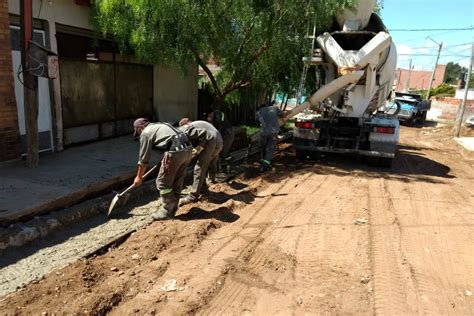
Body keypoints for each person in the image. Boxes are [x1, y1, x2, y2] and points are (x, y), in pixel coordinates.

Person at [132, 118, 193, 220]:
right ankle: (173, 208)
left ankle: (167, 212)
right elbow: (167, 140)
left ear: (141, 127)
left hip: (175, 151)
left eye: (138, 131)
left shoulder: (145, 133)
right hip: (188, 149)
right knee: (177, 180)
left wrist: (138, 177)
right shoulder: (160, 124)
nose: (139, 134)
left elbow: (143, 160)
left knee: (162, 182)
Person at [178, 118, 223, 205]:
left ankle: (193, 196)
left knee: (199, 167)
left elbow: (205, 136)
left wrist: (199, 147)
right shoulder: (199, 123)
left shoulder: (189, 127)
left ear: (184, 125)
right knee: (203, 165)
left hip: (211, 141)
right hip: (219, 142)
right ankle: (203, 188)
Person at [256, 101, 284, 172]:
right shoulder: (274, 108)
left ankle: (263, 160)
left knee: (263, 147)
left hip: (263, 132)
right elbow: (283, 114)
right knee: (270, 149)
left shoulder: (258, 112)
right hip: (273, 132)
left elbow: (258, 121)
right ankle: (264, 166)